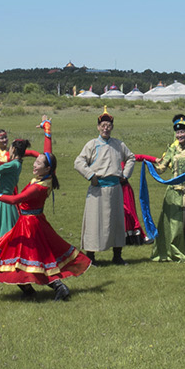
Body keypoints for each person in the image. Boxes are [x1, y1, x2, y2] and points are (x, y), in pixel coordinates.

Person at [0, 149, 90, 300]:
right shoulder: (46, 179)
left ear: (47, 168)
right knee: (22, 258)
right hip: (30, 222)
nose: (34, 164)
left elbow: (15, 200)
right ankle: (32, 291)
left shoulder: (39, 186)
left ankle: (57, 287)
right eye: (35, 160)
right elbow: (48, 152)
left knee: (28, 258)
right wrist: (47, 131)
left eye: (38, 163)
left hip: (29, 226)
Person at [137, 115, 185, 262]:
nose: (180, 135)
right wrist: (150, 165)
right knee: (173, 222)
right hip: (174, 191)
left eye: (182, 132)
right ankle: (173, 250)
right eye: (177, 133)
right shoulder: (171, 150)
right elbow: (161, 169)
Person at [73, 110, 136, 264]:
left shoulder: (118, 144)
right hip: (97, 189)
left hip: (115, 188)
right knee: (94, 222)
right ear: (98, 127)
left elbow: (131, 157)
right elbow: (79, 162)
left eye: (108, 125)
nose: (106, 128)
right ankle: (91, 257)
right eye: (103, 125)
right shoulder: (92, 145)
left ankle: (117, 255)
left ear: (112, 127)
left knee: (116, 222)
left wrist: (125, 174)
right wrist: (90, 175)